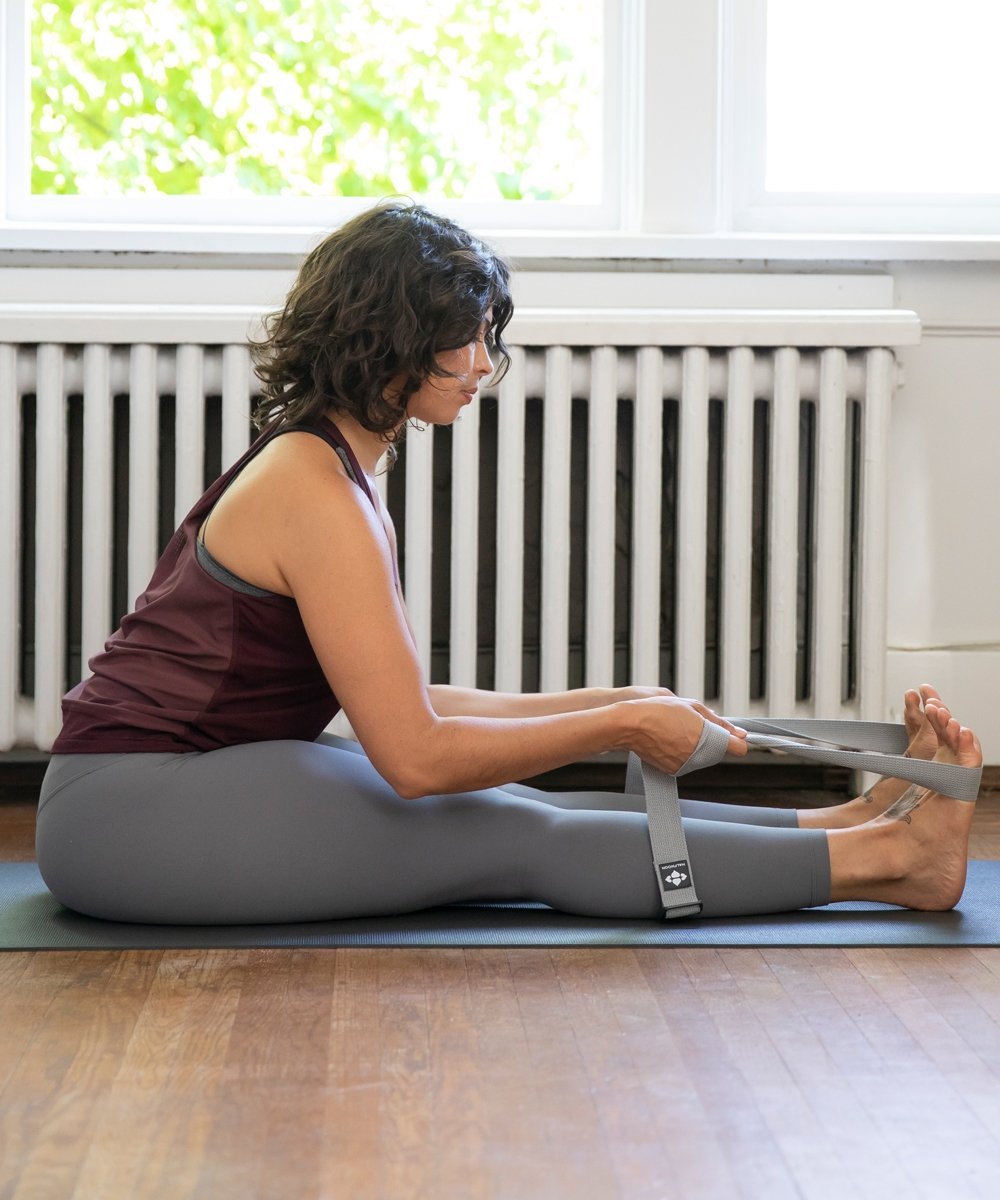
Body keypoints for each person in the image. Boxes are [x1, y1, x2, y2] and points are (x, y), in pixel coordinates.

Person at [36, 201, 982, 925]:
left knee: (516, 801)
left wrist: (622, 704)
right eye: (465, 340)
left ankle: (853, 830)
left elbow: (412, 698)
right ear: (389, 339)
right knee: (520, 834)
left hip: (186, 779)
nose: (483, 364)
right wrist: (616, 723)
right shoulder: (313, 488)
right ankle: (894, 867)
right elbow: (416, 756)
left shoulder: (335, 459)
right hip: (129, 813)